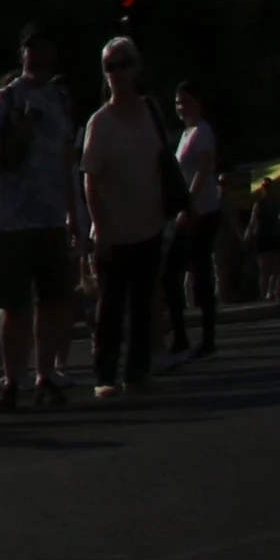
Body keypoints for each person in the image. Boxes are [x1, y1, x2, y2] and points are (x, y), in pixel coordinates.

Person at [0, 27, 83, 408]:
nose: (38, 58)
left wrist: (74, 214)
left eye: (45, 50)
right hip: (14, 219)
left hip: (52, 216)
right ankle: (12, 379)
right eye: (32, 51)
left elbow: (66, 161)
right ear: (22, 55)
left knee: (54, 300)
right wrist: (17, 139)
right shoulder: (6, 99)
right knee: (14, 303)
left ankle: (45, 374)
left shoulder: (59, 98)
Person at [78, 35, 180, 398]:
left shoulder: (150, 110)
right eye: (109, 67)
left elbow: (163, 161)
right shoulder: (100, 123)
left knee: (143, 304)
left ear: (136, 68)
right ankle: (104, 374)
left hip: (149, 222)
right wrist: (100, 229)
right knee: (110, 306)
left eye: (123, 64)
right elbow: (89, 179)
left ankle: (136, 371)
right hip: (113, 228)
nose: (117, 73)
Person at [164, 78, 230, 359]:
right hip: (187, 211)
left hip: (202, 211)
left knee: (199, 272)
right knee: (172, 275)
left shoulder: (203, 132)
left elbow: (203, 172)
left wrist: (187, 206)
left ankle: (208, 336)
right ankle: (180, 335)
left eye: (186, 101)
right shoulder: (186, 133)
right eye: (178, 101)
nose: (181, 106)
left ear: (199, 103)